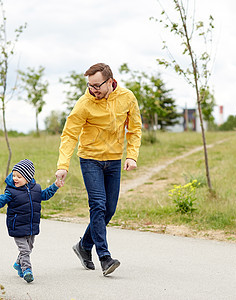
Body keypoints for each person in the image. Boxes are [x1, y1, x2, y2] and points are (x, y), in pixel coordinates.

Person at [55, 63, 142, 276]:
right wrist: (63, 165)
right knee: (98, 205)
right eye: (90, 85)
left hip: (113, 160)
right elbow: (69, 135)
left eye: (97, 85)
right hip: (90, 159)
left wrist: (131, 155)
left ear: (110, 81)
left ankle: (84, 246)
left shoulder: (127, 97)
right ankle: (105, 257)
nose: (93, 90)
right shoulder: (84, 104)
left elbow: (134, 128)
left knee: (109, 209)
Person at [0, 159, 61, 283]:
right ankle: (27, 269)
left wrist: (55, 186)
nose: (15, 178)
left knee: (29, 247)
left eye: (19, 176)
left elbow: (45, 195)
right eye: (14, 175)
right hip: (17, 226)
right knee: (25, 250)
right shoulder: (11, 191)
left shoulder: (36, 189)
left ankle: (18, 264)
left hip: (31, 225)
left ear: (28, 177)